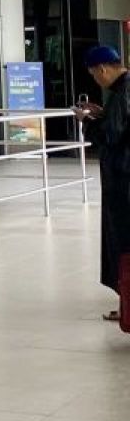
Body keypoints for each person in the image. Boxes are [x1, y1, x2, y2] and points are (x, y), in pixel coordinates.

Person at [75, 45, 130, 322]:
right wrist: (102, 114)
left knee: (123, 242)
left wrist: (86, 121)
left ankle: (127, 307)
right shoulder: (122, 91)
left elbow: (110, 136)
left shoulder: (122, 92)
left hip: (123, 180)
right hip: (123, 177)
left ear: (103, 69)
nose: (97, 80)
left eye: (95, 75)